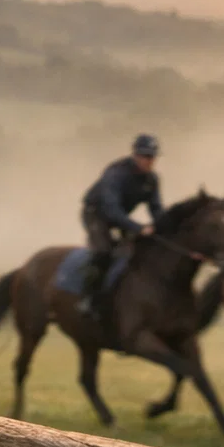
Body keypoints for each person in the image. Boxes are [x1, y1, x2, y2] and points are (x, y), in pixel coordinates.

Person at [79, 134, 163, 316]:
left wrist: (164, 229)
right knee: (103, 251)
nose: (149, 161)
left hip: (120, 216)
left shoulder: (152, 180)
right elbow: (111, 210)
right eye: (145, 156)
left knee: (137, 251)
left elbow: (156, 210)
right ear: (135, 155)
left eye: (152, 157)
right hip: (96, 214)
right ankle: (88, 299)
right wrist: (139, 228)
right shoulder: (116, 173)